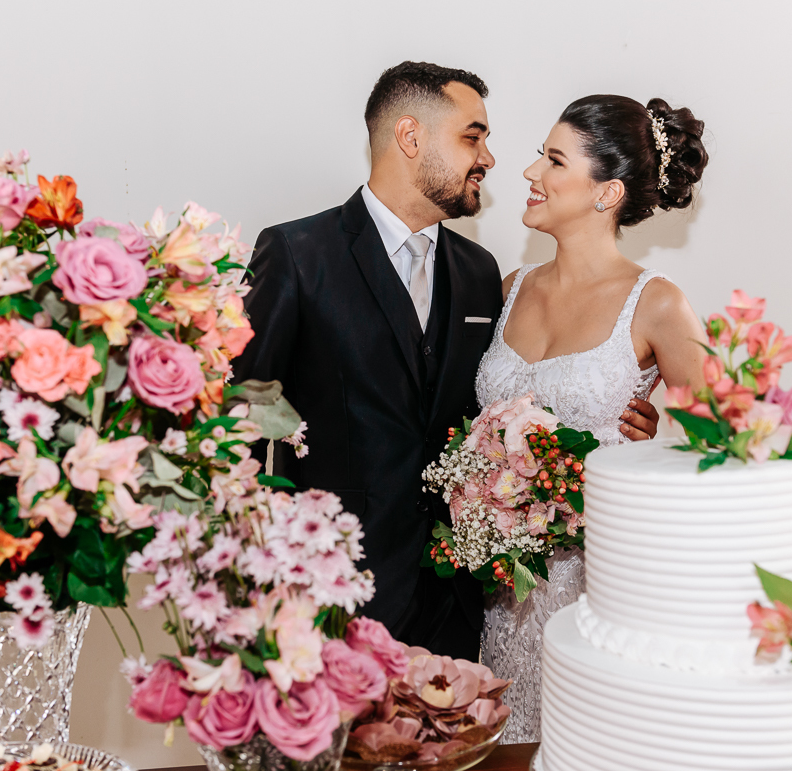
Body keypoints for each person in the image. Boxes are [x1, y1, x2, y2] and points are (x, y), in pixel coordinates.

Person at [232, 64, 660, 662]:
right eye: (472, 137)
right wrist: (251, 582)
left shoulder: (481, 273)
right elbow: (238, 424)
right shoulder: (297, 255)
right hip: (329, 601)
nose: (489, 158)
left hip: (460, 606)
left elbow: (506, 404)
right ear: (411, 137)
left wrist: (619, 425)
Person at [475, 94, 710, 740]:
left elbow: (728, 454)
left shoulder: (657, 305)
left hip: (601, 595)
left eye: (554, 160)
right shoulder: (508, 289)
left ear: (607, 193)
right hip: (499, 596)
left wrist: (650, 448)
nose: (531, 172)